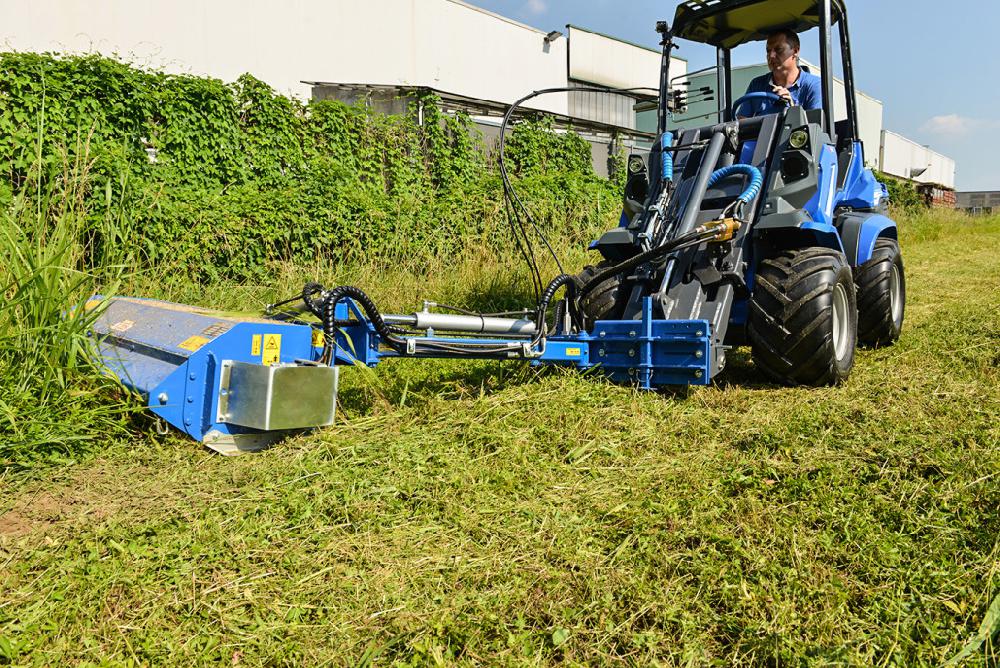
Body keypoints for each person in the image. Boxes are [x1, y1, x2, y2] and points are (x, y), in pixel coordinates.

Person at [740, 29, 822, 117]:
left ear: (795, 51)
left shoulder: (813, 85)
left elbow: (814, 127)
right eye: (768, 51)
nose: (771, 56)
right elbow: (741, 121)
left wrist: (793, 109)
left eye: (778, 49)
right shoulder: (756, 85)